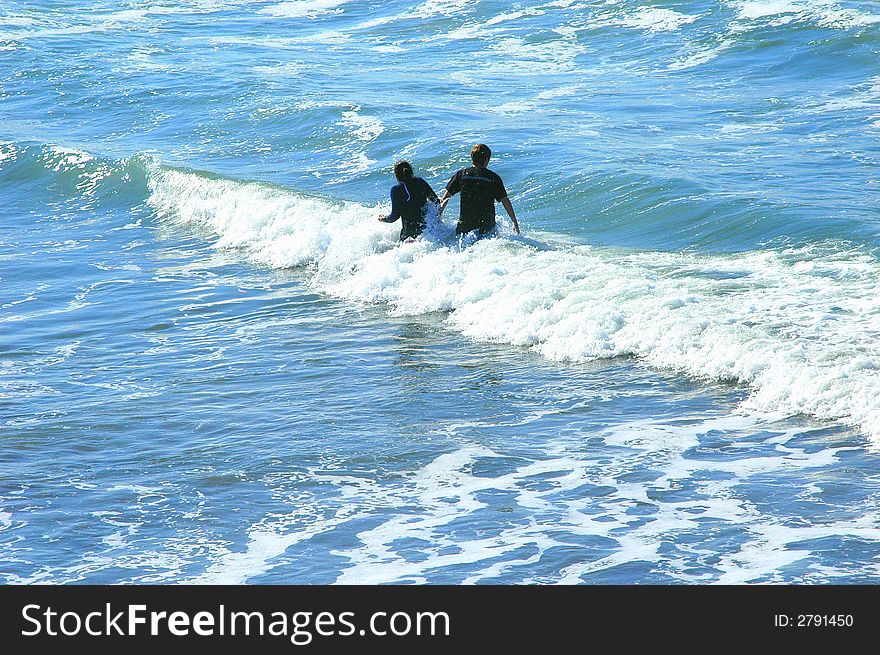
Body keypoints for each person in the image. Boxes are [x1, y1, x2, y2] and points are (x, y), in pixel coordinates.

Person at [438, 143, 520, 236]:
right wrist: (514, 222)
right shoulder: (492, 178)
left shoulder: (461, 175)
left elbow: (445, 199)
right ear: (486, 160)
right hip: (487, 227)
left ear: (472, 157)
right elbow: (505, 200)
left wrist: (436, 218)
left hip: (464, 227)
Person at [378, 160, 439, 241]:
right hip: (428, 231)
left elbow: (394, 216)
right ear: (411, 171)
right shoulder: (420, 182)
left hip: (409, 235)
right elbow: (436, 201)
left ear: (396, 175)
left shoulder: (396, 190)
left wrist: (384, 219)